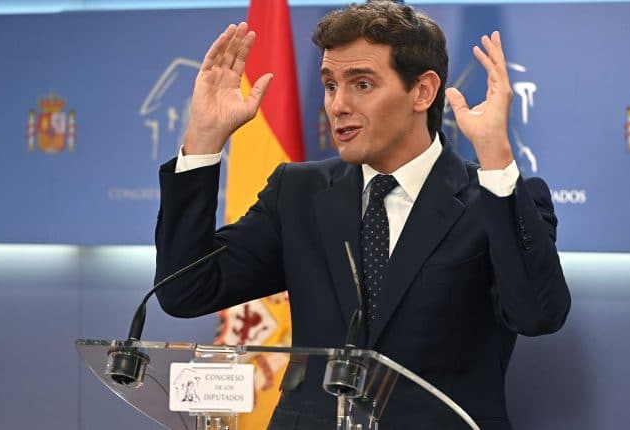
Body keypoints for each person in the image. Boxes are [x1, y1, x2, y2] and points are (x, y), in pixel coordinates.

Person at [155, 1, 570, 429]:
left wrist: (497, 161)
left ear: (423, 91)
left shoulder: (494, 199)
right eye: (331, 84)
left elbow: (538, 315)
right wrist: (203, 141)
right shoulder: (298, 192)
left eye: (362, 84)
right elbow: (185, 290)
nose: (337, 105)